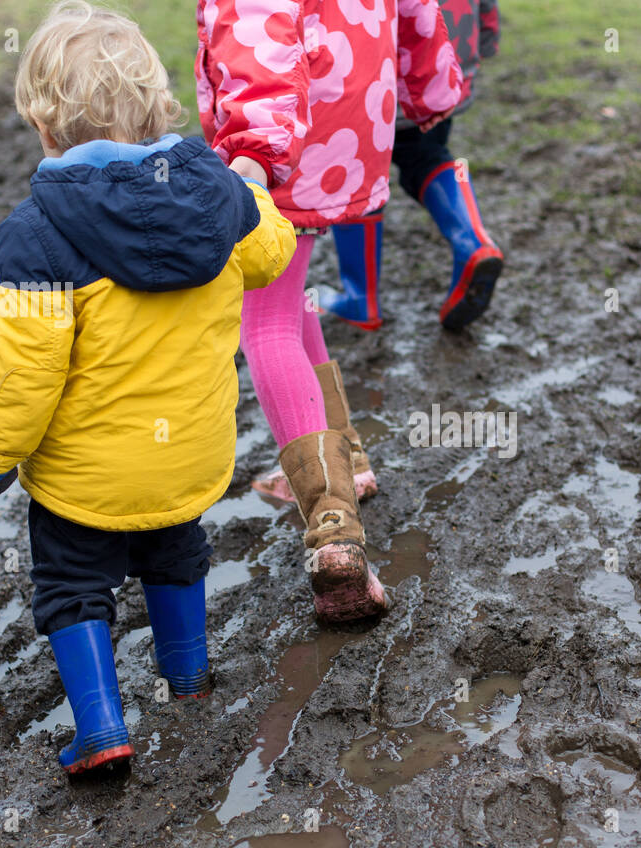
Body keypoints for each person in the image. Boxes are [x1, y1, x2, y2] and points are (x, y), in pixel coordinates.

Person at [0, 1, 296, 774]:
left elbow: (20, 369)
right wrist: (253, 187)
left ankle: (103, 728)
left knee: (72, 583)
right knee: (177, 549)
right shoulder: (217, 193)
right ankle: (190, 678)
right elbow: (271, 256)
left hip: (86, 477)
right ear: (157, 104)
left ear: (44, 125)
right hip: (188, 458)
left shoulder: (38, 233)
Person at [195, 0, 462, 618]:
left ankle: (333, 529)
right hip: (356, 124)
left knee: (262, 324)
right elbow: (419, 12)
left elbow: (258, 29)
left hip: (285, 138)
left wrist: (252, 159)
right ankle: (345, 456)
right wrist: (426, 93)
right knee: (293, 297)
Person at [322, 0, 503, 334]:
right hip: (448, 60)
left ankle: (360, 300)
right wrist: (486, 34)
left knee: (354, 169)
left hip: (374, 60)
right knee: (428, 154)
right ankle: (473, 242)